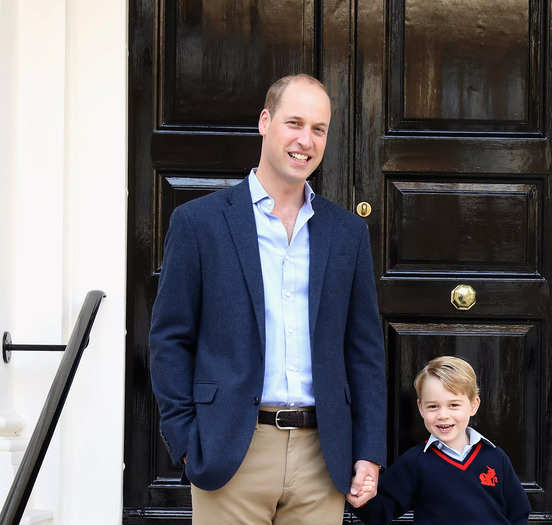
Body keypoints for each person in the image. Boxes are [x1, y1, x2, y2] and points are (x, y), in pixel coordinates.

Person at [149, 74, 386, 525]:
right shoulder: (199, 224)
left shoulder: (347, 233)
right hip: (231, 452)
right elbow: (170, 339)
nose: (305, 140)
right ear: (265, 121)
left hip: (323, 456)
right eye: (294, 123)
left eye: (318, 128)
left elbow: (365, 352)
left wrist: (369, 452)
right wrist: (184, 442)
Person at [352, 356, 530, 525]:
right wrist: (362, 499)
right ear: (421, 408)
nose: (443, 415)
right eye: (433, 406)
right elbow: (381, 511)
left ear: (473, 405)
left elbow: (519, 512)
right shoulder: (415, 462)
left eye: (454, 405)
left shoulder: (495, 457)